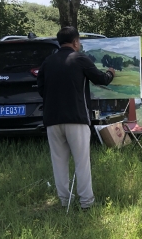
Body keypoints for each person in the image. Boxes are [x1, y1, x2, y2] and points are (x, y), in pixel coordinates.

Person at [37, 27, 115, 209]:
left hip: (52, 120)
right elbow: (101, 79)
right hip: (76, 118)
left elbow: (41, 90)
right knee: (82, 162)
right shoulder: (80, 59)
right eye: (79, 41)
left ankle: (65, 201)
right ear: (75, 42)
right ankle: (86, 202)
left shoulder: (47, 62)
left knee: (59, 163)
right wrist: (111, 73)